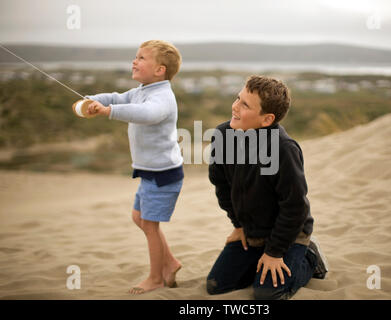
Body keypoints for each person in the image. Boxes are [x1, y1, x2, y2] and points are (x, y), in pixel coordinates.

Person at [207, 75, 329, 300]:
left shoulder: (284, 150)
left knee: (267, 294)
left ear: (266, 119)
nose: (235, 106)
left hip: (288, 235)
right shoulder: (223, 136)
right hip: (252, 232)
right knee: (217, 286)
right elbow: (221, 186)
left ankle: (309, 257)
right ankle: (260, 257)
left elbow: (295, 208)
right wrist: (238, 225)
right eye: (238, 98)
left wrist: (274, 252)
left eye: (245, 105)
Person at [84, 40, 184, 294]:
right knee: (139, 218)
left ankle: (156, 278)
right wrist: (93, 100)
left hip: (163, 175)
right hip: (149, 172)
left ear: (160, 70)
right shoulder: (142, 90)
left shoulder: (161, 97)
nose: (134, 61)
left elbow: (147, 114)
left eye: (141, 58)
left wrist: (109, 111)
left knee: (150, 225)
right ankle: (170, 263)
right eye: (135, 56)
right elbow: (117, 97)